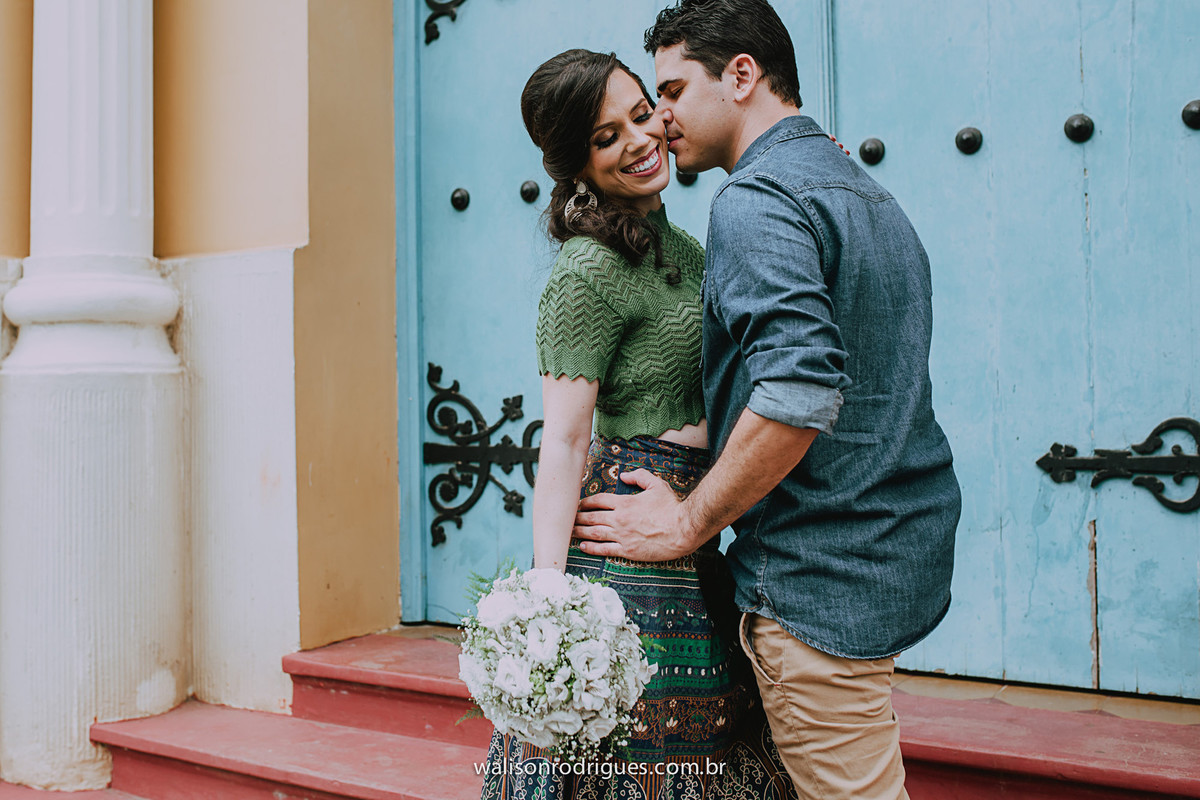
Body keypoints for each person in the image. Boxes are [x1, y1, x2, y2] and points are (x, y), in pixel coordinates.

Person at [571, 2, 963, 799]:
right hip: (890, 558)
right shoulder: (862, 191)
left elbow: (799, 387)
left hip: (817, 586)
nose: (662, 120)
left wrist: (684, 522)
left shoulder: (754, 202)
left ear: (741, 74)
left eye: (674, 91)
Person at [479, 48, 796, 800]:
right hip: (623, 552)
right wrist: (549, 597)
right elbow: (562, 439)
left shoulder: (686, 247)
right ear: (575, 165)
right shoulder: (587, 271)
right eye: (604, 136)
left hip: (691, 536)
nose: (639, 138)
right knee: (631, 756)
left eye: (641, 112)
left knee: (709, 746)